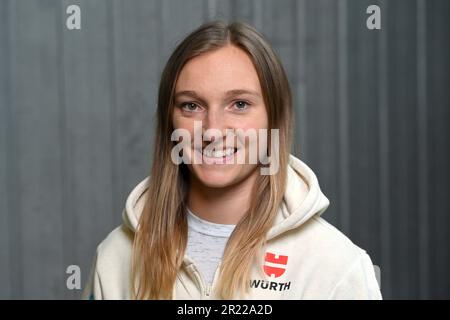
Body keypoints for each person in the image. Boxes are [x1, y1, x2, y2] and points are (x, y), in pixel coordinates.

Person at [82, 20, 382, 300]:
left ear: (273, 118)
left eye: (239, 104)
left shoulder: (336, 268)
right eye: (191, 105)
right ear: (169, 122)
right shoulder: (115, 258)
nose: (212, 130)